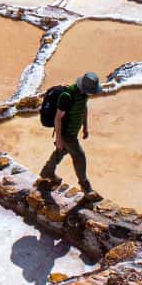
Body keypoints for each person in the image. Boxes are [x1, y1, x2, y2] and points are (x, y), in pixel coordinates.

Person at [39, 72, 102, 202]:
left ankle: (47, 171)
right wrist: (59, 138)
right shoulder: (67, 96)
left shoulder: (83, 95)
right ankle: (86, 188)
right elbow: (57, 119)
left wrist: (85, 126)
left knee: (61, 152)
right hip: (66, 133)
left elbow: (83, 109)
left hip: (73, 131)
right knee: (79, 157)